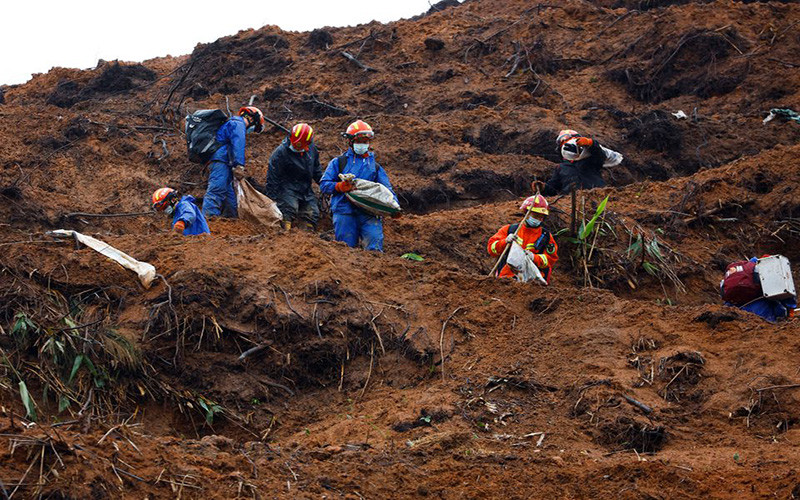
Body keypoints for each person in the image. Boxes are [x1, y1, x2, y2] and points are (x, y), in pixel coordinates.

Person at [319, 120, 398, 251]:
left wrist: (394, 207)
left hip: (369, 212)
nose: (362, 144)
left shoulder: (374, 167)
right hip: (344, 211)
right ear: (351, 141)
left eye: (365, 141)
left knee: (375, 246)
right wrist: (339, 186)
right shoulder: (338, 163)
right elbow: (324, 184)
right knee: (346, 250)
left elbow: (386, 190)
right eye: (359, 140)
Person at [202, 106, 265, 218]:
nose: (252, 131)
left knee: (230, 196)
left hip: (224, 163)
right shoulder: (238, 124)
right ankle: (208, 223)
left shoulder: (233, 123)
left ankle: (232, 222)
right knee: (216, 191)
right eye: (255, 127)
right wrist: (239, 165)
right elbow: (238, 145)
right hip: (220, 161)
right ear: (252, 120)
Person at [487, 194, 558, 283]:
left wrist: (534, 258)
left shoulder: (545, 236)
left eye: (541, 217)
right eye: (535, 216)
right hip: (506, 279)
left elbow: (551, 259)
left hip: (533, 282)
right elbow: (491, 249)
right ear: (526, 213)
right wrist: (505, 242)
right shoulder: (509, 230)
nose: (538, 219)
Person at [265, 123, 322, 230]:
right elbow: (272, 179)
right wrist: (271, 200)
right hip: (287, 187)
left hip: (306, 188)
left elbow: (316, 170)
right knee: (288, 208)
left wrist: (325, 185)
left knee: (312, 213)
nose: (296, 146)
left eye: (300, 145)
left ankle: (307, 236)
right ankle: (285, 233)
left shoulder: (312, 150)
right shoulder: (280, 153)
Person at [543, 129, 623, 196]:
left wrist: (590, 143)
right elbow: (554, 188)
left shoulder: (591, 160)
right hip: (573, 203)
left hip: (597, 196)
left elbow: (599, 154)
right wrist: (543, 188)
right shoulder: (561, 168)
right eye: (564, 142)